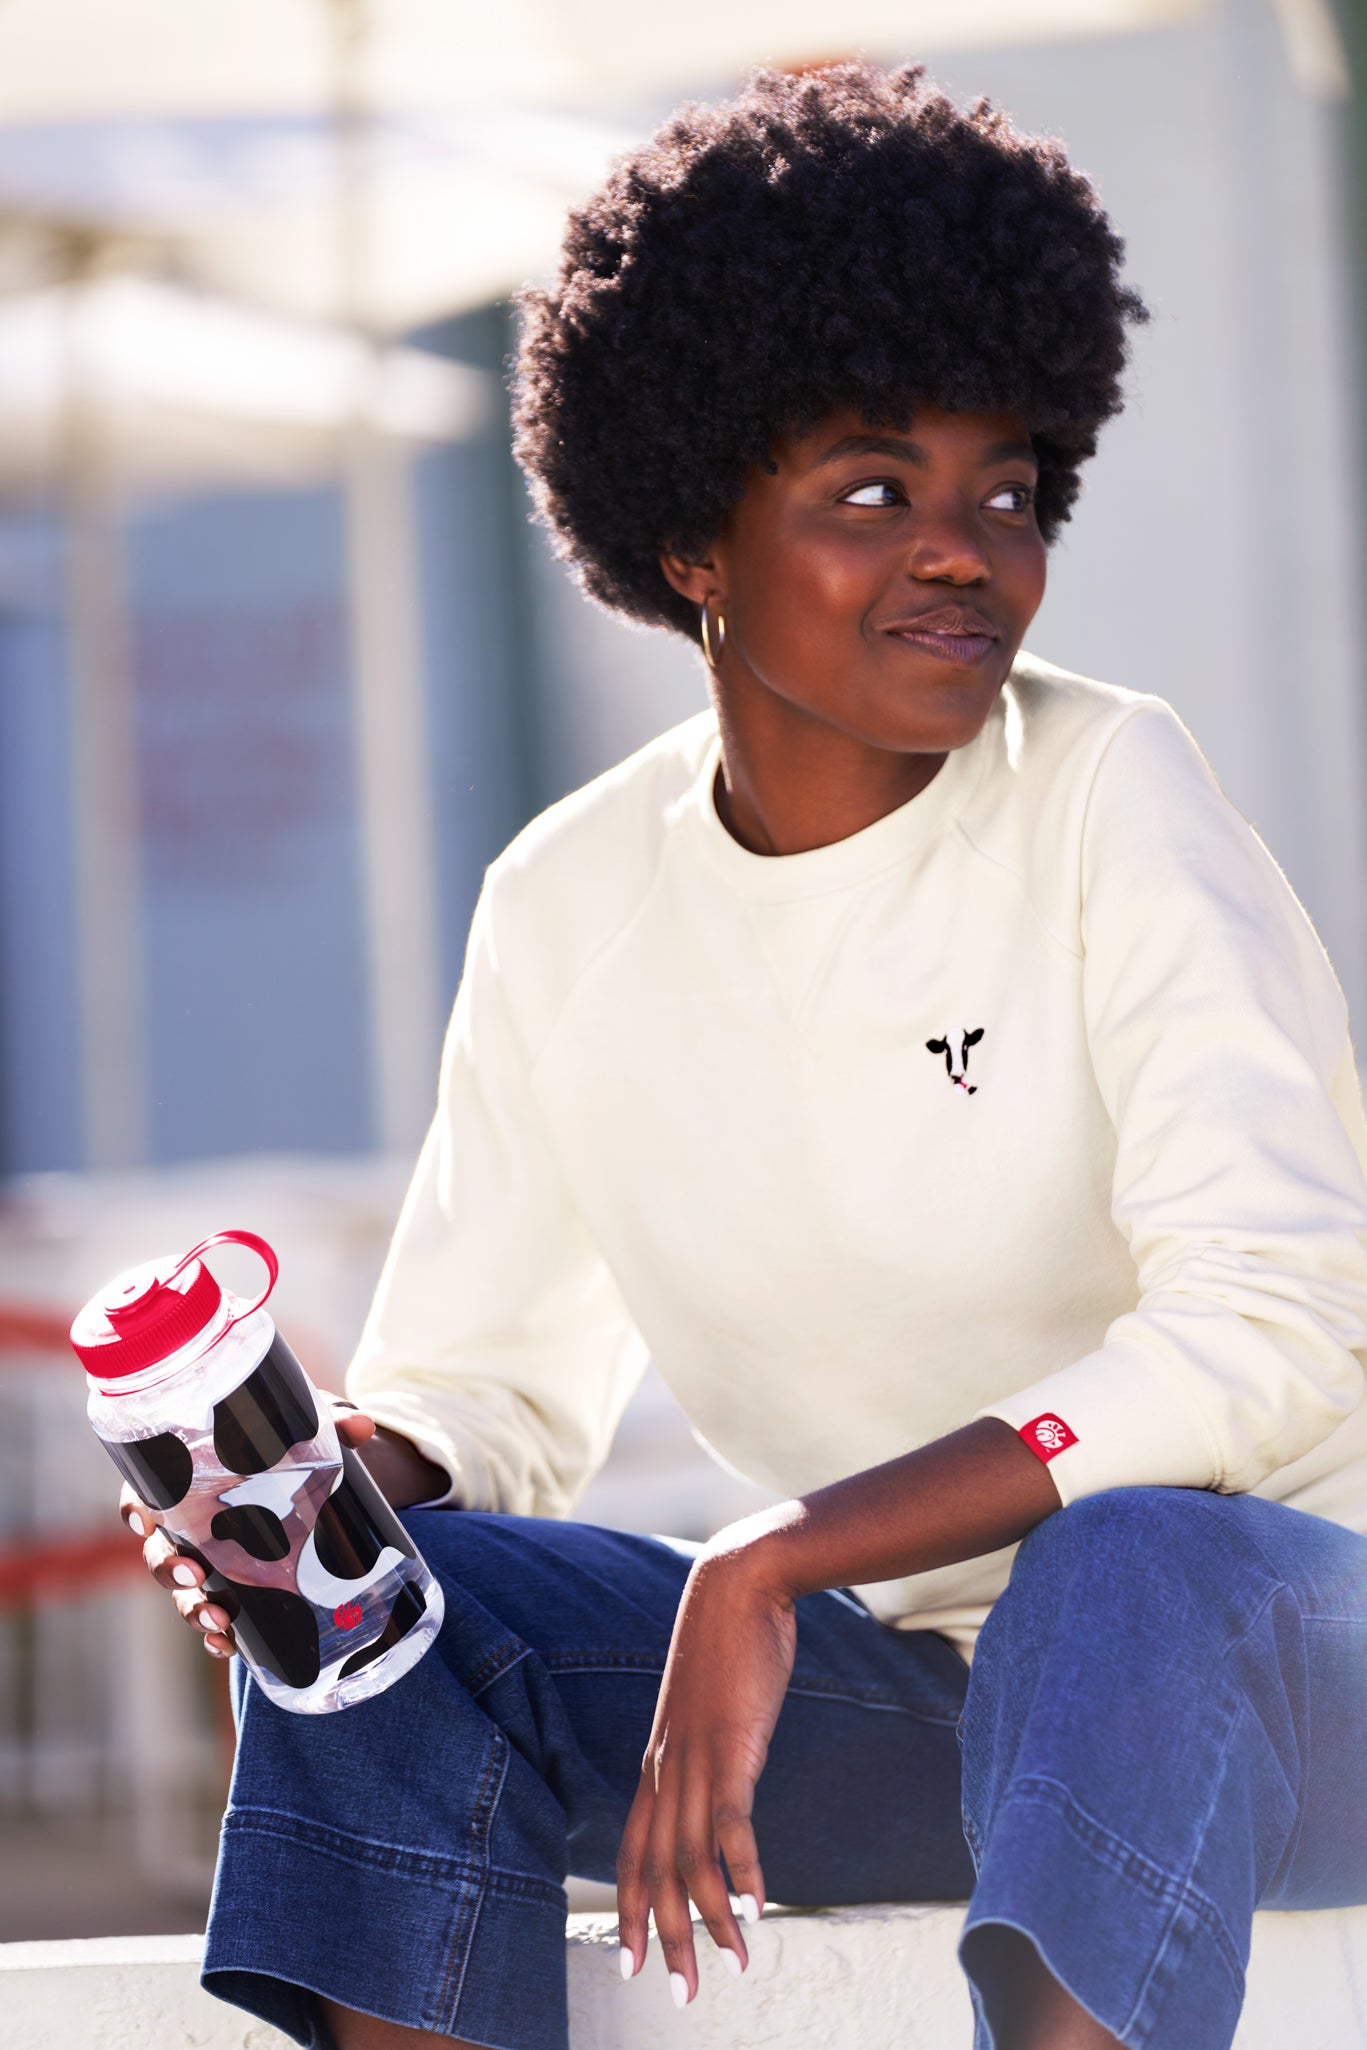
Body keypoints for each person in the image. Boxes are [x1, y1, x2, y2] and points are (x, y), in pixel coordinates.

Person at [122, 62, 1367, 2050]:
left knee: (1112, 1565)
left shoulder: (1114, 791)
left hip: (1285, 1654)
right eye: (877, 487)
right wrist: (324, 1500)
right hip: (928, 1708)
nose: (967, 548)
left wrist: (785, 1544)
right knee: (367, 1633)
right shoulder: (565, 905)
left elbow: (1275, 1326)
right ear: (693, 532)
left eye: (1006, 487)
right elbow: (484, 1390)